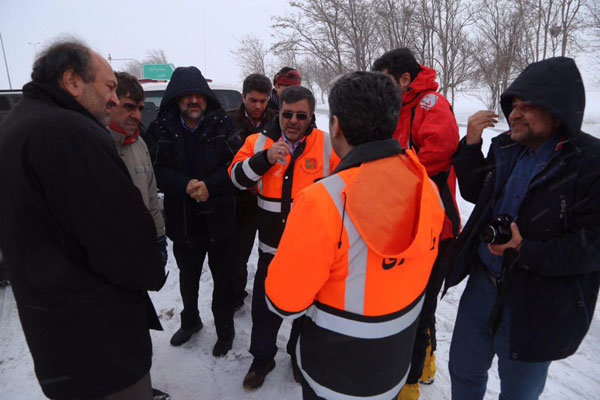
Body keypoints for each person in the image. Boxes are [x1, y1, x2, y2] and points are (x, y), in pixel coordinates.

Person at [0, 40, 167, 400]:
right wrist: (152, 265)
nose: (113, 98)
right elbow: (119, 238)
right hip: (98, 341)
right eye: (108, 87)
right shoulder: (70, 132)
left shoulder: (20, 122)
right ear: (73, 81)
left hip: (58, 334)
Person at [264, 71, 445, 399]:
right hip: (392, 370)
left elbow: (282, 302)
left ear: (335, 126)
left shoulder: (323, 201)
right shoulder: (427, 188)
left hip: (332, 376)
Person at [446, 57, 600, 400]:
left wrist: (524, 250)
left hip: (537, 302)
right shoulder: (507, 146)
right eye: (514, 105)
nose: (515, 113)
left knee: (519, 393)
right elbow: (475, 191)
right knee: (464, 372)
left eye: (527, 106)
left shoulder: (590, 163)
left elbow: (591, 247)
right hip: (483, 285)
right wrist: (470, 145)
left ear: (558, 112)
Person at [229, 85, 339, 390]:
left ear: (311, 117)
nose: (293, 121)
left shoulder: (327, 146)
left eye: (301, 116)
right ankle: (261, 360)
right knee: (264, 309)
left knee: (309, 311)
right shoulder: (259, 141)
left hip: (311, 253)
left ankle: (297, 356)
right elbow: (235, 178)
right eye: (287, 114)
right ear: (280, 113)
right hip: (271, 250)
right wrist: (264, 158)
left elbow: (349, 187)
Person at [372, 47, 460, 399]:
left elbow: (440, 151)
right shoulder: (402, 107)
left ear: (404, 79)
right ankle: (425, 359)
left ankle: (409, 383)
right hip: (410, 221)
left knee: (419, 306)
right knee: (417, 303)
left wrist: (396, 172)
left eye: (386, 80)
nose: (382, 87)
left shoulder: (429, 104)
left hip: (435, 227)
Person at [147, 66, 240, 357]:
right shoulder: (160, 128)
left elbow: (237, 164)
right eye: (186, 96)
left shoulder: (223, 123)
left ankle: (225, 330)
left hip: (219, 219)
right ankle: (191, 322)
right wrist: (185, 184)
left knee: (223, 281)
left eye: (198, 95)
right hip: (183, 220)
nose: (193, 101)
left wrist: (210, 186)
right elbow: (155, 170)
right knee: (188, 279)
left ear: (206, 98)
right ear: (175, 99)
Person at [108, 72, 170, 400]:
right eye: (128, 106)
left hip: (139, 257)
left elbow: (151, 200)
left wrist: (160, 242)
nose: (136, 115)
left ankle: (138, 389)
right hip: (109, 265)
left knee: (135, 332)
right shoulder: (95, 146)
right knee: (113, 338)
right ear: (110, 103)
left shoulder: (140, 143)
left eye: (140, 108)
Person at [228, 73, 278, 311]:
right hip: (241, 203)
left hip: (273, 202)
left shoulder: (279, 121)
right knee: (238, 256)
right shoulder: (228, 122)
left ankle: (271, 297)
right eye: (252, 100)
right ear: (243, 97)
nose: (258, 106)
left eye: (263, 100)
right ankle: (236, 295)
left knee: (272, 256)